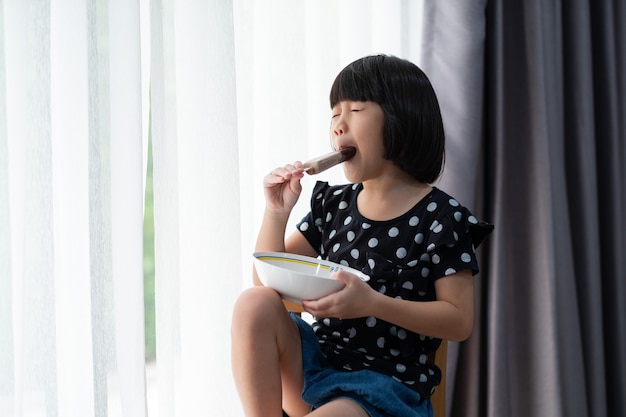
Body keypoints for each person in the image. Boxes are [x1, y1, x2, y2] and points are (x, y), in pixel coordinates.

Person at [231, 54, 493, 417]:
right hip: (316, 370)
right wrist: (277, 212)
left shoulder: (442, 218)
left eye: (354, 109)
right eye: (334, 114)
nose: (338, 125)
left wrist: (372, 303)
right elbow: (266, 282)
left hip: (385, 389)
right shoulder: (332, 205)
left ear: (401, 117)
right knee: (253, 304)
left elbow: (458, 321)